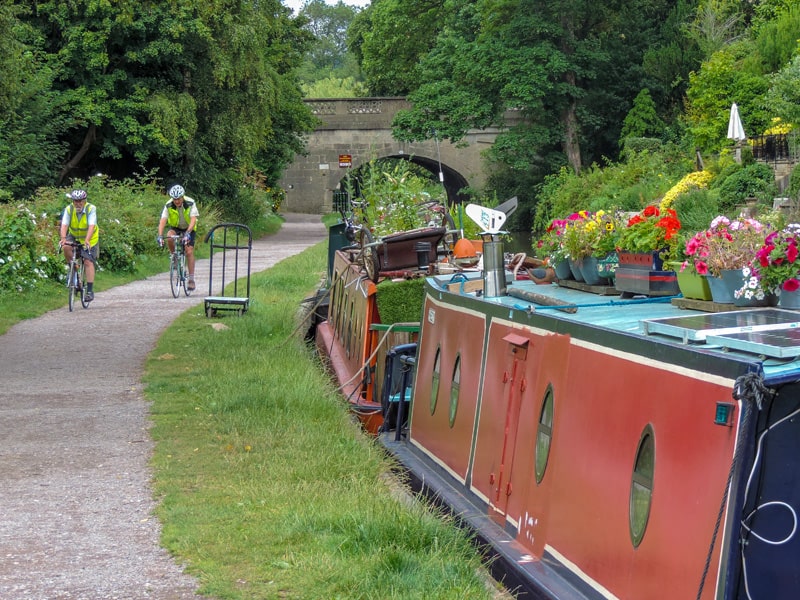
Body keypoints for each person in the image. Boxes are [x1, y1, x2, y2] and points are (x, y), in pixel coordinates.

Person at [157, 184, 199, 291]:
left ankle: (191, 279)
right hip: (175, 227)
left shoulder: (190, 202)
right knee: (169, 236)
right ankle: (174, 256)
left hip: (189, 228)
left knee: (189, 251)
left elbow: (193, 219)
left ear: (182, 197)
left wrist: (188, 232)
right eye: (174, 199)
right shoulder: (168, 205)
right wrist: (160, 236)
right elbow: (163, 221)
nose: (177, 201)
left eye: (179, 198)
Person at [59, 189, 99, 301]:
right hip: (75, 235)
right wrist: (63, 238)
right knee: (66, 247)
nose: (78, 203)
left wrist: (87, 240)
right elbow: (64, 225)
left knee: (88, 261)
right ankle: (73, 267)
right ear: (73, 201)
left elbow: (91, 225)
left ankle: (90, 291)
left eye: (80, 201)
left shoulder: (91, 209)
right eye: (75, 201)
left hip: (90, 238)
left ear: (84, 200)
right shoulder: (69, 209)